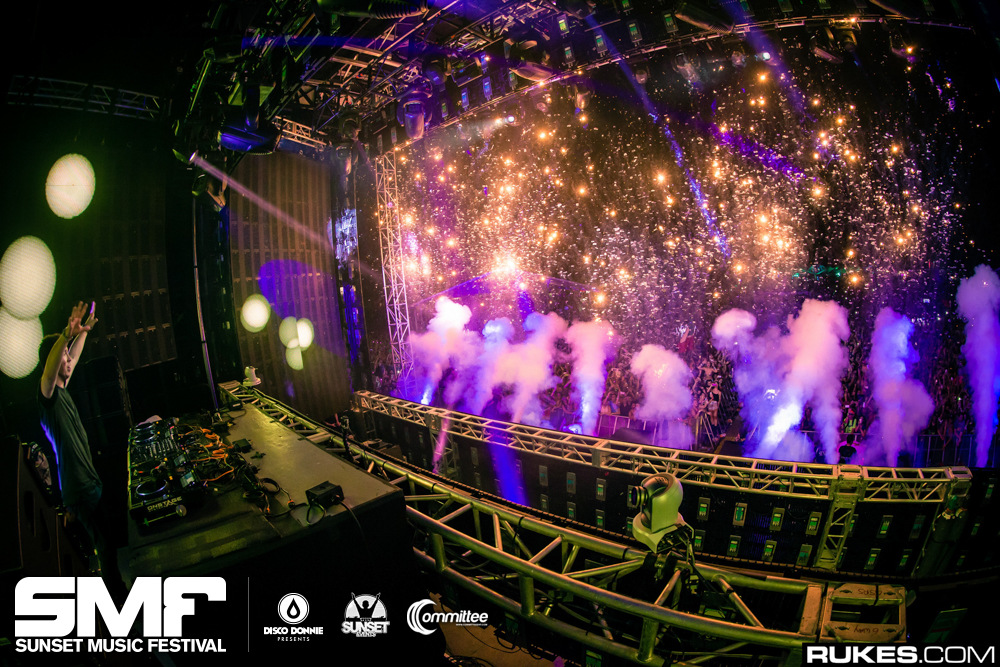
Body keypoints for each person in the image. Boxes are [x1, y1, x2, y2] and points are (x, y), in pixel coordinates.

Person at [38, 301, 105, 570]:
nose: (68, 359)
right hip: (80, 490)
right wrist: (66, 335)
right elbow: (52, 368)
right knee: (106, 549)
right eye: (63, 355)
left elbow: (73, 357)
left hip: (88, 483)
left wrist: (84, 331)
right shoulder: (48, 396)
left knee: (107, 546)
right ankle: (116, 592)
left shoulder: (63, 388)